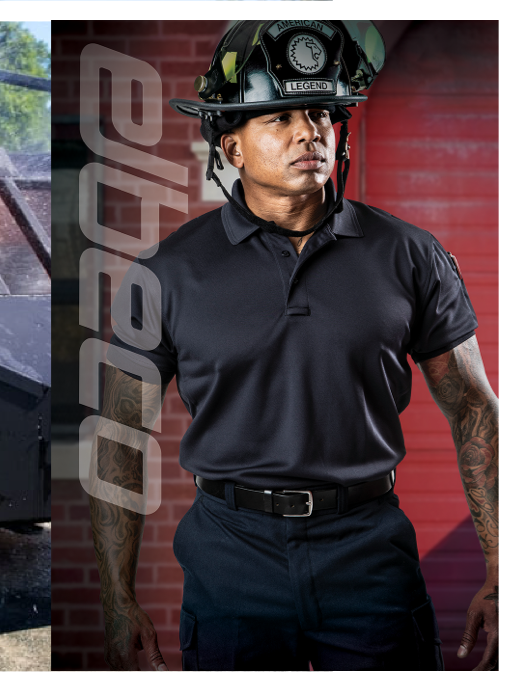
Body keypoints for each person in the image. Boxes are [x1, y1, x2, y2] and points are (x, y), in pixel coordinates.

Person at [91, 20, 498, 671]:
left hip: (370, 562)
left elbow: (476, 409)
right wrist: (117, 598)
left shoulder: (411, 256)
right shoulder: (165, 273)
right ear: (232, 147)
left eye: (319, 113)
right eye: (279, 117)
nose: (309, 131)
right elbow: (119, 434)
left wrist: (504, 570)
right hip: (230, 566)